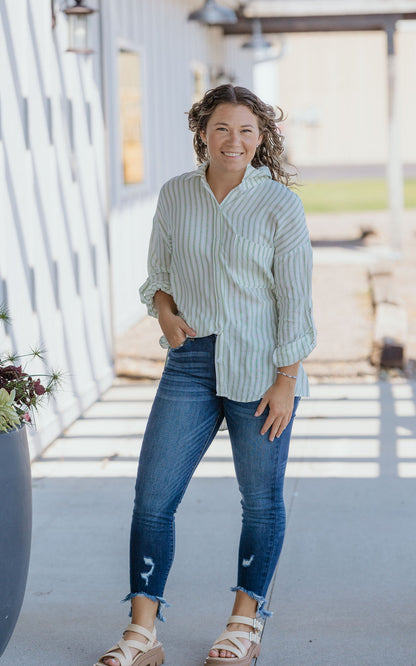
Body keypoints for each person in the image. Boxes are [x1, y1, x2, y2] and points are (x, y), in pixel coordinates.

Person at [95, 84, 316, 666]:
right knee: (152, 499)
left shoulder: (280, 206)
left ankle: (246, 624)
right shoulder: (175, 195)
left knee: (261, 501)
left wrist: (288, 378)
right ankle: (142, 635)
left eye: (246, 130)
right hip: (190, 363)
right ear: (202, 133)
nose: (234, 140)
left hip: (263, 366)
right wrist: (165, 315)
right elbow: (158, 277)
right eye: (222, 128)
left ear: (261, 137)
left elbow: (296, 302)